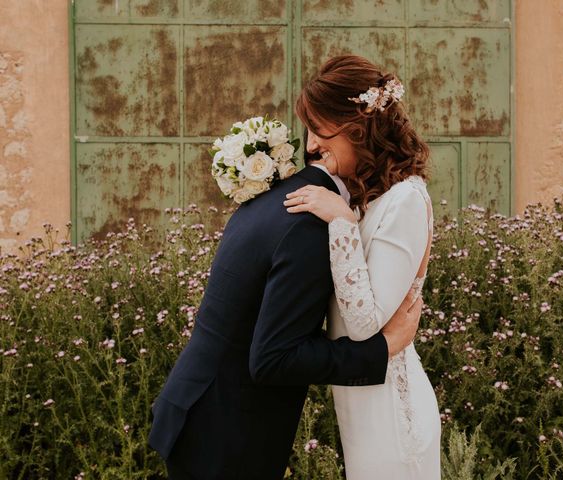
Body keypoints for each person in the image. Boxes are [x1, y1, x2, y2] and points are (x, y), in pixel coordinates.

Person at [147, 112, 424, 477]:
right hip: (228, 436)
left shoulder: (272, 199)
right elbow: (274, 358)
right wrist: (381, 349)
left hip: (199, 410)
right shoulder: (309, 224)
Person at [283, 55, 441, 479]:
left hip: (392, 417)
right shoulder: (370, 196)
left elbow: (365, 326)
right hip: (364, 409)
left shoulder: (405, 201)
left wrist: (341, 222)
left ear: (357, 129)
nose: (312, 145)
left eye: (320, 130)